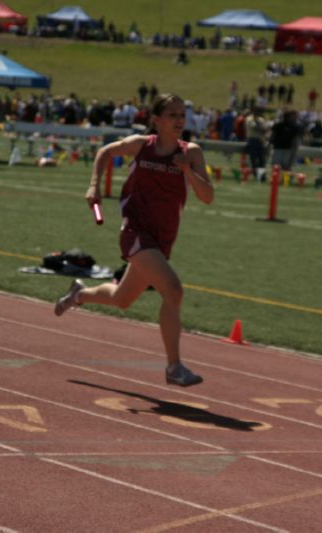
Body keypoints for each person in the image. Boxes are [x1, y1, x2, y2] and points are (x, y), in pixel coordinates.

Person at [54, 94, 214, 387]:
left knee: (122, 299)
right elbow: (104, 151)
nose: (179, 120)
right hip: (135, 232)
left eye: (182, 115)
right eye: (172, 115)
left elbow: (208, 196)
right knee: (174, 292)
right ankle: (174, 367)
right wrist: (94, 185)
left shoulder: (191, 152)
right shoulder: (142, 146)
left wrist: (187, 171)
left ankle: (79, 294)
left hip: (163, 239)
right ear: (156, 120)